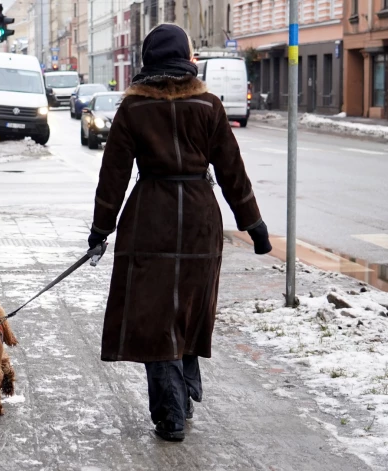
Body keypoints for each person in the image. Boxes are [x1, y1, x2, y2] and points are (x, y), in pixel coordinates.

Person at [88, 24, 272, 443]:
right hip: (198, 222)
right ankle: (184, 384)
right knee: (188, 305)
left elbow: (113, 175)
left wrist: (101, 229)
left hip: (150, 216)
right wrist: (253, 224)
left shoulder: (133, 108)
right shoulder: (209, 105)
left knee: (156, 317)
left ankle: (171, 411)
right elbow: (232, 171)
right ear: (185, 58)